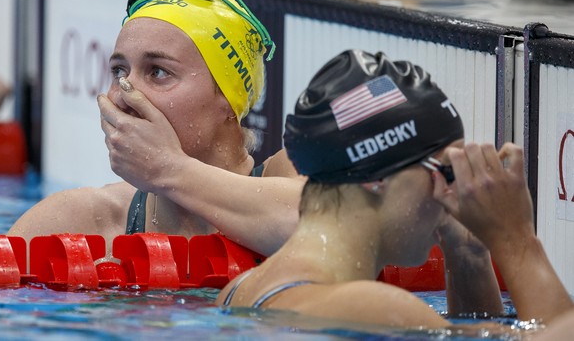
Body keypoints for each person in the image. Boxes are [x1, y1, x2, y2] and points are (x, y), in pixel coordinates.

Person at [216, 49, 573, 333]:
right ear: (377, 175)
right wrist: (517, 240)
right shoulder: (373, 309)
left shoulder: (240, 292)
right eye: (445, 171)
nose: (451, 194)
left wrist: (468, 253)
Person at [8, 0, 304, 258]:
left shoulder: (293, 172)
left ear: (227, 97)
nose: (124, 92)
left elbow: (325, 232)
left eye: (158, 72)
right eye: (119, 71)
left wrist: (169, 169)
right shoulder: (77, 225)